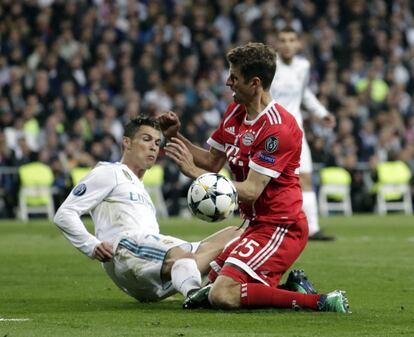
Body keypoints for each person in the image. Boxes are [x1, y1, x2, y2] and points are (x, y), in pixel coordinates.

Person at [160, 43, 349, 312]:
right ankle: (292, 289)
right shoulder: (235, 112)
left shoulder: (278, 128)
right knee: (211, 287)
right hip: (253, 224)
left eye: (234, 77)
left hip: (281, 226)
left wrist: (196, 175)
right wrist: (175, 138)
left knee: (222, 295)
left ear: (255, 83)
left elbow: (250, 190)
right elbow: (212, 161)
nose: (228, 82)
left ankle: (320, 302)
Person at [54, 116, 243, 302]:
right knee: (181, 256)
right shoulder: (110, 172)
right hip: (124, 251)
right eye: (146, 139)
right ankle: (194, 293)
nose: (153, 146)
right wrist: (92, 245)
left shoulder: (142, 192)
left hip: (152, 270)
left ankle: (210, 285)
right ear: (127, 143)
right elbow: (64, 214)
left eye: (157, 142)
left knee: (236, 236)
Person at [269, 27, 337, 241]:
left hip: (295, 132)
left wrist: (321, 113)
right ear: (277, 44)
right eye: (283, 40)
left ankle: (313, 229)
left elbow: (304, 93)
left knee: (305, 178)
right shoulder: (269, 67)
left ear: (298, 44)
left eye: (291, 40)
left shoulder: (303, 66)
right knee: (269, 182)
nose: (287, 44)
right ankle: (268, 228)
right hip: (271, 132)